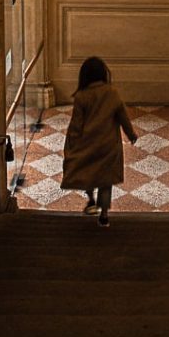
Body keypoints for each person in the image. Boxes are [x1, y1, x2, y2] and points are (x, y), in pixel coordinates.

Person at [61, 57, 138, 227]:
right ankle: (104, 214)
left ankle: (90, 199)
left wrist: (72, 143)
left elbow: (76, 124)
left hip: (88, 143)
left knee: (88, 173)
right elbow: (122, 116)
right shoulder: (112, 93)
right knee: (105, 181)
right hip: (108, 145)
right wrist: (131, 134)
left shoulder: (82, 96)